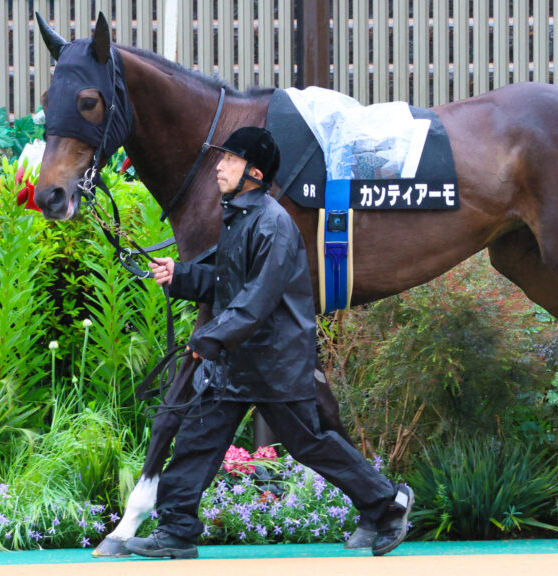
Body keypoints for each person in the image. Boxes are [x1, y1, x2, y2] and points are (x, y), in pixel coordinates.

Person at [125, 126, 413, 559]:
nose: (218, 167)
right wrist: (179, 275)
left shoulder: (272, 224)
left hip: (274, 362)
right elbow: (228, 283)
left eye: (229, 160)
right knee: (198, 437)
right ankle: (176, 532)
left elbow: (258, 299)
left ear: (254, 173)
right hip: (236, 360)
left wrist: (209, 338)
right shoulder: (240, 217)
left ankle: (389, 504)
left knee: (308, 444)